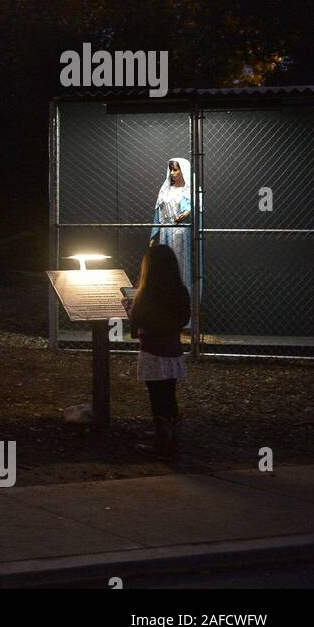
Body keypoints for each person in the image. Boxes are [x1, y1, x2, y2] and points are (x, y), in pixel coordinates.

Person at [122, 243, 191, 461]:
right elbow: (184, 319)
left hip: (153, 352)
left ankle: (162, 444)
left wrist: (129, 308)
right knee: (169, 395)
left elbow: (140, 321)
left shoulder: (147, 293)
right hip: (173, 350)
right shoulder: (180, 290)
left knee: (156, 396)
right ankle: (172, 440)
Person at [150, 157, 193, 295]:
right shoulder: (165, 190)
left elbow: (193, 206)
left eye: (175, 169)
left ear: (183, 170)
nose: (172, 173)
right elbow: (158, 212)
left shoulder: (188, 190)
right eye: (170, 169)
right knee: (165, 264)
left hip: (180, 233)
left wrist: (187, 212)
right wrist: (154, 233)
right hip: (165, 230)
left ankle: (182, 295)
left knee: (179, 263)